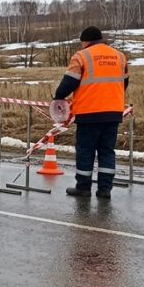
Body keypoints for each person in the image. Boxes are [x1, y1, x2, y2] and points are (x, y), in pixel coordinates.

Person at [53, 26, 129, 199]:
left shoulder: (82, 56)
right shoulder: (120, 56)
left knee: (86, 150)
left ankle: (83, 187)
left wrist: (58, 98)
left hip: (89, 112)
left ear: (85, 41)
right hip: (113, 111)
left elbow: (69, 82)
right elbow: (124, 83)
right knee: (107, 151)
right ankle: (104, 190)